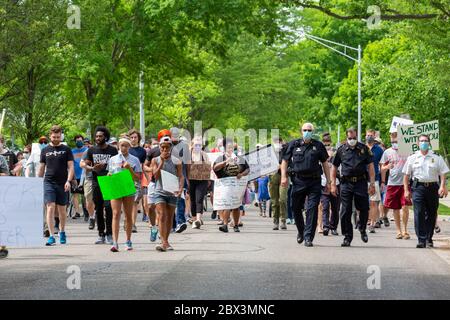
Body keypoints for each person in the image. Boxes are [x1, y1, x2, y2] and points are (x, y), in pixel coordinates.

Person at [281, 123, 330, 247]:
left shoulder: (318, 145)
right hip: (298, 181)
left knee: (312, 209)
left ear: (313, 131)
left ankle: (308, 237)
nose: (307, 132)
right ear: (301, 131)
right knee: (295, 207)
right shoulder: (294, 144)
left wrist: (329, 181)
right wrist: (283, 177)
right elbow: (285, 161)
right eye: (305, 130)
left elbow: (325, 163)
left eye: (309, 130)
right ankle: (301, 231)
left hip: (314, 182)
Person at [331, 128, 376, 247]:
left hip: (360, 182)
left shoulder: (364, 149)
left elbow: (371, 166)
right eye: (350, 138)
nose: (352, 140)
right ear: (346, 138)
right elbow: (334, 167)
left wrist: (372, 184)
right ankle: (347, 236)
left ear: (357, 137)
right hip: (346, 183)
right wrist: (332, 184)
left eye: (354, 138)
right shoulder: (341, 150)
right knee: (345, 211)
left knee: (364, 208)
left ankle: (362, 229)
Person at [403, 134, 449, 248]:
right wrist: (406, 190)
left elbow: (443, 173)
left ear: (429, 143)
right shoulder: (412, 157)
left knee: (432, 213)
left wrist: (442, 186)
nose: (424, 143)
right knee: (418, 213)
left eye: (426, 141)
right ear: (418, 143)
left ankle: (429, 238)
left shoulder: (436, 157)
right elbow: (406, 175)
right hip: (418, 188)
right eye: (421, 141)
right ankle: (421, 239)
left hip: (433, 188)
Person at [38, 125, 75, 246]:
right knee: (50, 206)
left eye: (58, 137)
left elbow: (71, 167)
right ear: (50, 136)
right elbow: (42, 168)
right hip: (48, 182)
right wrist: (36, 182)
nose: (56, 139)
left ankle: (62, 231)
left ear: (61, 136)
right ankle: (51, 235)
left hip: (63, 182)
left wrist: (68, 181)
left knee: (61, 209)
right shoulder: (45, 150)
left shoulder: (66, 149)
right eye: (54, 137)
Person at [107, 136, 142, 252]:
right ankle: (115, 242)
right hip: (116, 187)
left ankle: (128, 240)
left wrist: (129, 169)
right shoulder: (112, 159)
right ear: (118, 146)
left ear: (129, 146)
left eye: (126, 145)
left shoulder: (134, 160)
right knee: (116, 214)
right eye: (122, 145)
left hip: (128, 187)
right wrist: (109, 176)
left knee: (128, 215)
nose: (124, 148)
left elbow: (137, 178)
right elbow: (110, 172)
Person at [85, 126, 118, 245]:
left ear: (106, 137)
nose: (98, 138)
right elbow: (86, 165)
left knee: (109, 208)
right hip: (96, 182)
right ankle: (101, 234)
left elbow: (117, 164)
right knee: (98, 208)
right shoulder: (91, 150)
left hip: (109, 181)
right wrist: (92, 168)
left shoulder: (113, 150)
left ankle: (109, 233)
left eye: (100, 136)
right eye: (97, 136)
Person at [150, 136, 184, 251]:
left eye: (167, 147)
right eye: (163, 147)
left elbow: (180, 176)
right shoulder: (155, 160)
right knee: (162, 215)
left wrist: (180, 189)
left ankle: (166, 240)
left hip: (172, 192)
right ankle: (163, 242)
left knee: (169, 217)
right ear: (159, 147)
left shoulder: (177, 161)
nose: (165, 150)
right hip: (159, 191)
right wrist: (162, 162)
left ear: (171, 148)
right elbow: (155, 176)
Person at [380, 132, 412, 240]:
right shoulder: (387, 152)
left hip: (405, 184)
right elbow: (382, 168)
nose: (395, 143)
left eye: (397, 141)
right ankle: (398, 231)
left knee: (405, 207)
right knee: (395, 208)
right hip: (392, 184)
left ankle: (405, 230)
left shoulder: (407, 151)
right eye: (393, 141)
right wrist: (386, 168)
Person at [213, 139, 250, 233]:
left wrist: (241, 174)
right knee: (227, 204)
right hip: (225, 185)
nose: (230, 149)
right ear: (225, 148)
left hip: (236, 185)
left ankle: (236, 225)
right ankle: (225, 225)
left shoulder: (239, 159)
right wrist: (225, 162)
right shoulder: (221, 158)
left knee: (236, 205)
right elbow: (215, 168)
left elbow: (247, 169)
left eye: (232, 147)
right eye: (229, 147)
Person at [144, 135, 166, 242]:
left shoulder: (174, 153)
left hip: (166, 183)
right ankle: (153, 228)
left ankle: (162, 233)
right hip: (153, 182)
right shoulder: (152, 152)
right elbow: (145, 166)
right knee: (151, 207)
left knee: (162, 209)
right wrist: (151, 170)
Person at [170, 127, 191, 234]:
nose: (175, 135)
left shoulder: (184, 146)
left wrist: (188, 177)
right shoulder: (166, 145)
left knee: (180, 199)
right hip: (168, 177)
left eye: (176, 134)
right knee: (170, 202)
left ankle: (180, 222)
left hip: (180, 177)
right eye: (173, 134)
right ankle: (172, 224)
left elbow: (187, 163)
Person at [188, 136, 210, 229]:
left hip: (202, 180)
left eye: (200, 145)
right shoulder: (188, 154)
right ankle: (193, 218)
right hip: (191, 180)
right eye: (196, 144)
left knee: (199, 199)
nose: (198, 146)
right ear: (192, 145)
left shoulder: (204, 154)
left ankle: (198, 219)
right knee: (192, 199)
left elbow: (209, 167)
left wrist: (209, 179)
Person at [128, 129, 147, 233]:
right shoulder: (126, 149)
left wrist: (146, 179)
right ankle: (127, 220)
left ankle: (133, 224)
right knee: (126, 202)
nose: (133, 139)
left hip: (136, 177)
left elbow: (144, 166)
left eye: (135, 137)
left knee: (135, 202)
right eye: (131, 137)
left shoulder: (142, 151)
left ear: (138, 139)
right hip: (125, 178)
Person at [366, 129, 384, 233]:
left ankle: (372, 223)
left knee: (373, 202)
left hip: (375, 179)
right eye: (368, 135)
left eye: (371, 135)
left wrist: (382, 181)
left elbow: (382, 166)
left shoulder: (379, 150)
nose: (369, 137)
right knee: (364, 202)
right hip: (363, 179)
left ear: (374, 136)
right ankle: (364, 220)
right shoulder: (361, 148)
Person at [320, 147, 340, 236]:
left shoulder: (337, 163)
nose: (329, 159)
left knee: (335, 208)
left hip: (335, 186)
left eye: (331, 157)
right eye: (327, 157)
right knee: (325, 207)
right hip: (324, 186)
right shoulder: (320, 163)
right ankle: (326, 226)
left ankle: (333, 227)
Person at [269, 138, 288, 230]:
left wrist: (283, 167)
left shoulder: (286, 152)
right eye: (275, 142)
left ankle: (283, 220)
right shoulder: (270, 154)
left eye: (279, 142)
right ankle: (275, 221)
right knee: (274, 201)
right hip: (273, 178)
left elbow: (291, 165)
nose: (278, 144)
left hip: (283, 177)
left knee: (283, 200)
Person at [71, 134, 89, 219]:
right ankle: (77, 212)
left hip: (84, 175)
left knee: (85, 195)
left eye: (80, 140)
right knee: (75, 193)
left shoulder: (87, 150)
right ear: (75, 142)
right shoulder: (72, 151)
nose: (79, 142)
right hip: (74, 175)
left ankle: (86, 212)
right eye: (77, 141)